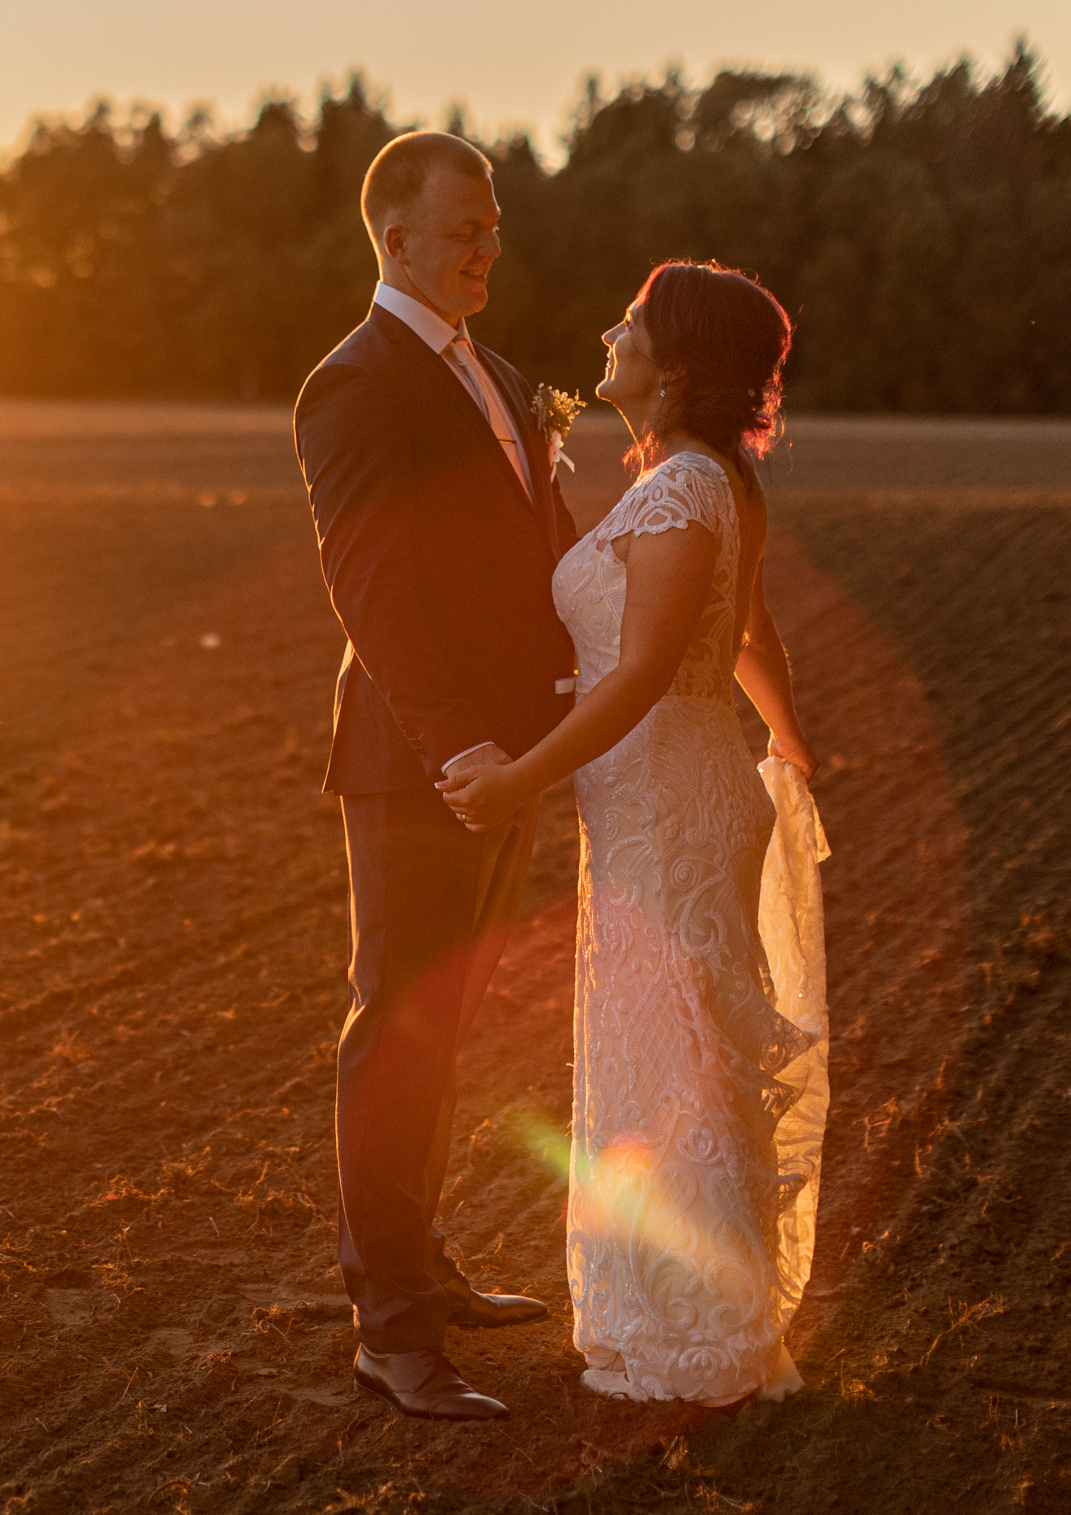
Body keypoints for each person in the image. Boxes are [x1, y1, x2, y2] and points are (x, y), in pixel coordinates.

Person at [438, 260, 830, 1406]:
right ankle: (692, 1317)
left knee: (678, 1059)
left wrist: (519, 775)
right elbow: (754, 643)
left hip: (665, 797)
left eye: (634, 322)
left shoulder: (680, 493)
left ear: (679, 364)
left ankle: (696, 1338)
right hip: (683, 789)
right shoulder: (712, 483)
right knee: (681, 1048)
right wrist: (791, 746)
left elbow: (650, 669)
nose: (610, 330)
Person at [292, 131, 580, 1423]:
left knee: (449, 1026)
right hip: (424, 765)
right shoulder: (355, 383)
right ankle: (390, 1330)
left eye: (496, 223)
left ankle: (426, 1264)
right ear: (393, 236)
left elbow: (535, 552)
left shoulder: (502, 375)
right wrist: (461, 744)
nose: (488, 244)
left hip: (512, 757)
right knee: (394, 1033)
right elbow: (373, 586)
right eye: (464, 226)